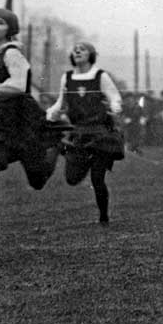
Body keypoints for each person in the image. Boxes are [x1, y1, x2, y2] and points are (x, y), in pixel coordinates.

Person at [0, 8, 63, 254]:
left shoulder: (13, 54)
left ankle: (56, 146)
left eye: (0, 23)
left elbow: (18, 85)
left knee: (37, 180)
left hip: (21, 124)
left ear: (10, 29)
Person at [45, 42, 125, 226]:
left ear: (91, 54)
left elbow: (115, 97)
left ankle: (103, 217)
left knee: (97, 178)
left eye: (83, 49)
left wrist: (115, 107)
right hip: (79, 133)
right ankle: (66, 151)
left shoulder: (100, 76)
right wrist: (51, 114)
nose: (78, 51)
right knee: (72, 179)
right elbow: (61, 102)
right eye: (75, 49)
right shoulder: (67, 78)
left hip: (100, 134)